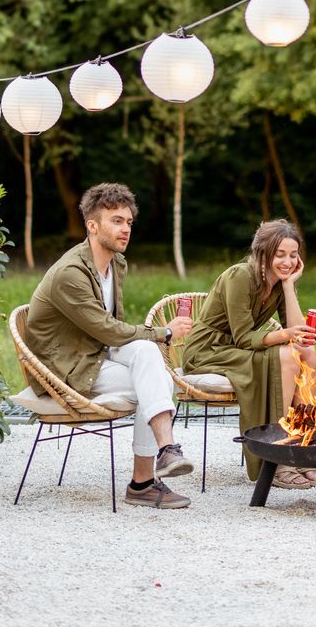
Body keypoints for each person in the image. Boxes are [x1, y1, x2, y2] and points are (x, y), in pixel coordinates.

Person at [22, 182, 196, 508]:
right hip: (67, 368)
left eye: (129, 222)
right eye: (116, 221)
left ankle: (165, 454)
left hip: (95, 352)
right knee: (154, 379)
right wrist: (164, 334)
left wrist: (149, 342)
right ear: (92, 225)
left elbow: (113, 329)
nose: (125, 229)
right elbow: (106, 329)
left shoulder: (116, 263)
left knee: (149, 361)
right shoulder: (70, 273)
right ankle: (145, 480)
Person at [179, 218, 316, 489]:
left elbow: (298, 333)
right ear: (262, 252)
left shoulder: (279, 283)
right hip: (209, 350)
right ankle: (276, 457)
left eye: (293, 255)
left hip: (238, 349)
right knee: (289, 356)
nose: (287, 262)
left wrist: (289, 286)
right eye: (280, 255)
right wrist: (284, 337)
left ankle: (304, 446)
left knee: (307, 354)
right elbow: (244, 337)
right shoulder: (240, 276)